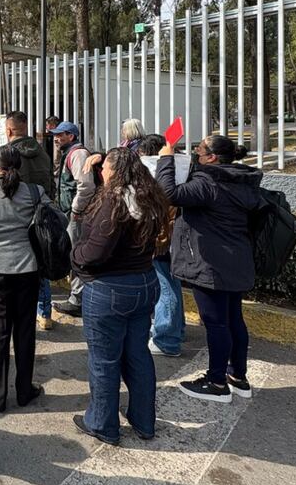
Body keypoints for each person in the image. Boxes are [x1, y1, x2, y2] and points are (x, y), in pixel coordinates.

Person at [71, 148, 168, 444]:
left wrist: (75, 256)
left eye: (105, 169)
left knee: (104, 361)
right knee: (138, 354)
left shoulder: (113, 202)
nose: (102, 173)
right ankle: (143, 420)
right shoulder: (149, 197)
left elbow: (96, 252)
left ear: (116, 172)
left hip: (110, 290)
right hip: (144, 283)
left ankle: (102, 424)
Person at [156, 134, 262, 403]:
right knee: (233, 319)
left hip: (211, 263)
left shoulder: (209, 181)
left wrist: (166, 159)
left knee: (216, 323)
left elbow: (167, 194)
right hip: (236, 259)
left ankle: (216, 382)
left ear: (212, 158)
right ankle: (237, 376)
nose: (195, 154)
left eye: (199, 151)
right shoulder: (240, 179)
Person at [0, 145, 50, 412]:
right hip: (28, 267)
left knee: (0, 332)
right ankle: (25, 390)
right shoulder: (35, 193)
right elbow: (53, 220)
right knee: (25, 331)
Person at [134, 134, 186, 357]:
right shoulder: (181, 170)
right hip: (173, 240)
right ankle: (177, 329)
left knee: (165, 286)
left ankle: (167, 340)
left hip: (162, 241)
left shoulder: (159, 174)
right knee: (172, 285)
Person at [50, 121, 96, 319]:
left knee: (76, 254)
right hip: (69, 212)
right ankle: (77, 296)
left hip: (76, 214)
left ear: (72, 136)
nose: (57, 138)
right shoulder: (70, 153)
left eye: (61, 134)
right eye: (56, 134)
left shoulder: (77, 154)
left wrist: (76, 209)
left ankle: (78, 299)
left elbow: (85, 186)